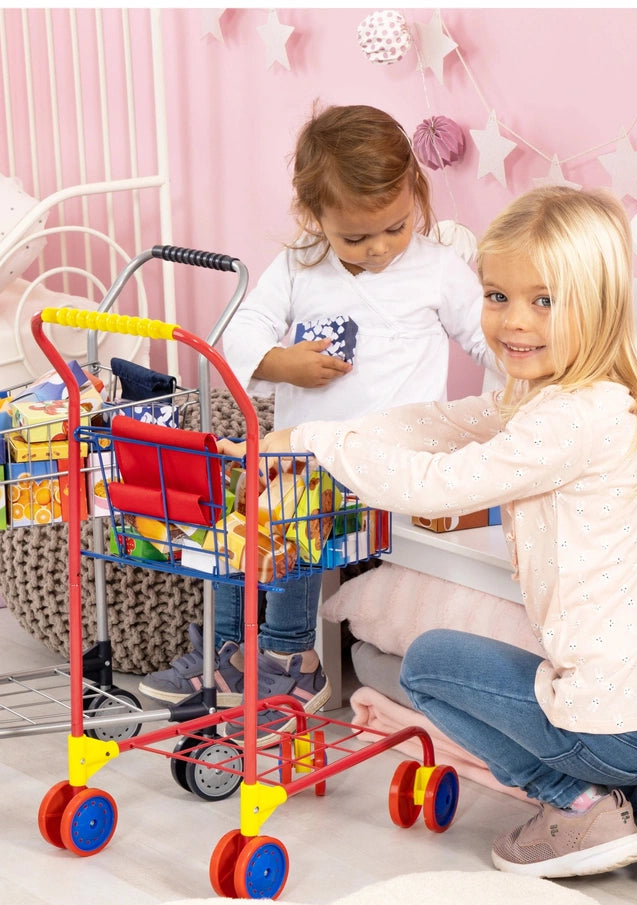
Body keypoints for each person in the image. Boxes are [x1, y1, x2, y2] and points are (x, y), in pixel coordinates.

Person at [227, 186, 637, 884]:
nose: (515, 321)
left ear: (599, 306)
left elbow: (434, 484)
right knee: (574, 690)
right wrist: (314, 438)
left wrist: (321, 445)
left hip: (626, 729)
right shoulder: (593, 403)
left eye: (544, 301)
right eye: (497, 296)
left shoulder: (563, 422)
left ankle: (576, 805)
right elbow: (443, 422)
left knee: (427, 665)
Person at [140, 104, 495, 743]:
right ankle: (228, 650)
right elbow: (242, 329)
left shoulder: (437, 269)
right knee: (237, 507)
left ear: (416, 195)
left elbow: (486, 339)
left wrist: (525, 395)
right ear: (314, 215)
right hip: (303, 454)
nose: (379, 248)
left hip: (392, 459)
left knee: (290, 510)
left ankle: (290, 658)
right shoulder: (299, 265)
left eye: (394, 227)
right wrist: (281, 364)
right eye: (355, 238)